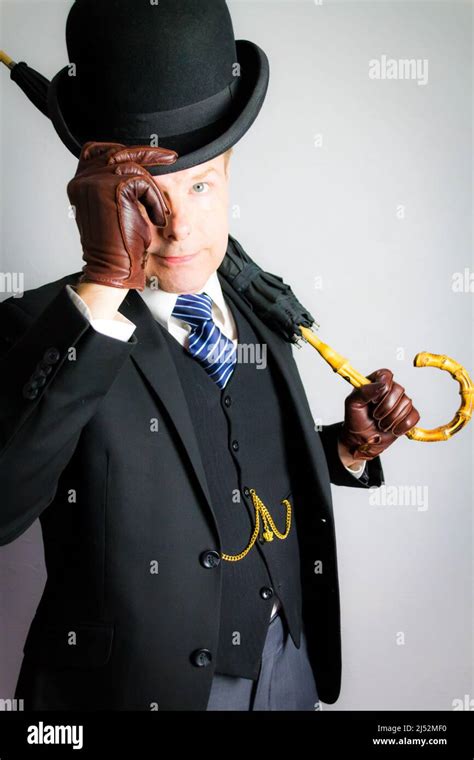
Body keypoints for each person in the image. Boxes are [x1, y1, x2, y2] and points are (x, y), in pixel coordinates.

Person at [0, 0, 419, 711]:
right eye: (150, 200)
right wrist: (106, 278)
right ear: (106, 198)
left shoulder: (259, 305)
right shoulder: (41, 326)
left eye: (200, 186)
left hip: (289, 668)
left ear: (230, 176)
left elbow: (237, 473)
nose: (179, 228)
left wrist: (343, 451)